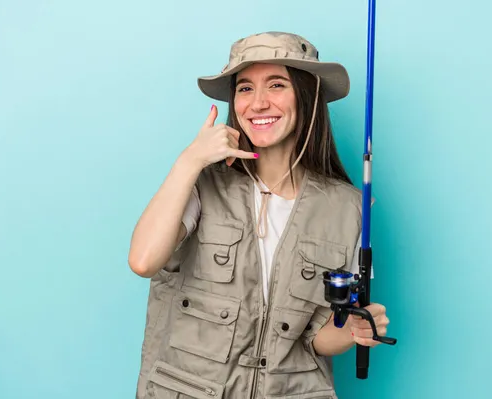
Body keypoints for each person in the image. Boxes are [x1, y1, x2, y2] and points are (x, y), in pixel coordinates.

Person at [128, 31, 391, 399]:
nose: (258, 103)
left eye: (277, 85)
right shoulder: (203, 183)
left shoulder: (350, 208)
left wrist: (352, 331)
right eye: (245, 88)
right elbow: (143, 260)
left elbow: (317, 336)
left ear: (307, 97)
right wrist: (189, 161)